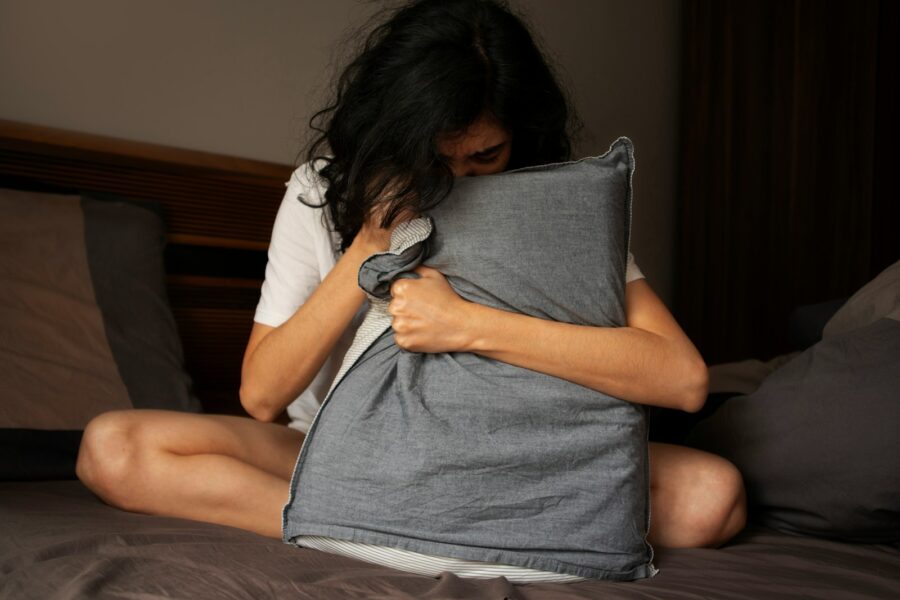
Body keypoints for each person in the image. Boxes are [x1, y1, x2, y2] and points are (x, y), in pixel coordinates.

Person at [76, 0, 746, 577]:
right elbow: (261, 396)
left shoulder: (560, 209)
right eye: (434, 156)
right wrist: (368, 244)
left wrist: (470, 326)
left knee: (712, 496)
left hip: (515, 454)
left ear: (521, 133)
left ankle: (385, 530)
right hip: (343, 454)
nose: (459, 178)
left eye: (485, 156)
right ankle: (378, 524)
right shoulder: (322, 189)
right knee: (112, 448)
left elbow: (682, 379)